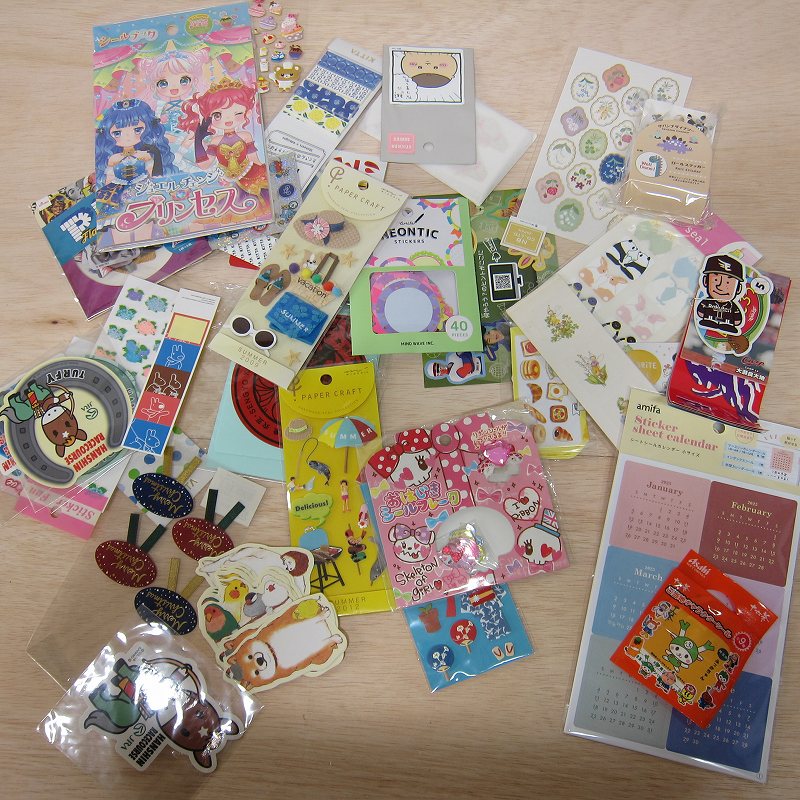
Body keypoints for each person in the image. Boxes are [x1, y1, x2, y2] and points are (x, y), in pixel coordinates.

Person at [695, 254, 746, 335]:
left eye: (728, 282)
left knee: (728, 327)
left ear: (738, 288)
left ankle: (727, 325)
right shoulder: (707, 301)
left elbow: (737, 321)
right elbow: (700, 313)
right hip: (708, 322)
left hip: (727, 325)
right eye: (716, 280)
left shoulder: (733, 307)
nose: (720, 287)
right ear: (705, 281)